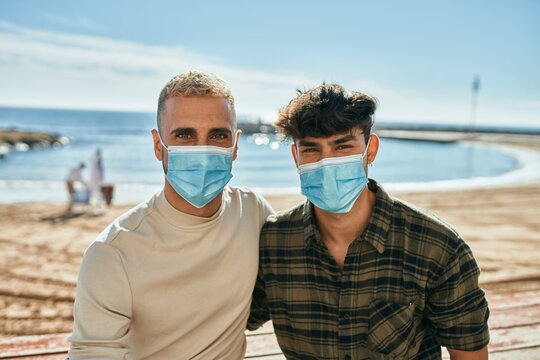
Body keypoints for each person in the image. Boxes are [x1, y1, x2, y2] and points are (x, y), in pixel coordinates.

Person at [248, 83, 489, 359]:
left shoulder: (437, 245)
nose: (327, 162)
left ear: (370, 150)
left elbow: (469, 353)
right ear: (296, 157)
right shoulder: (274, 241)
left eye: (342, 147)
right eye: (312, 150)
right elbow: (231, 316)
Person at [69, 71, 274, 359]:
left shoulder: (253, 212)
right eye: (185, 135)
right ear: (158, 145)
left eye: (218, 135)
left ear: (235, 145)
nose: (202, 149)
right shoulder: (113, 253)